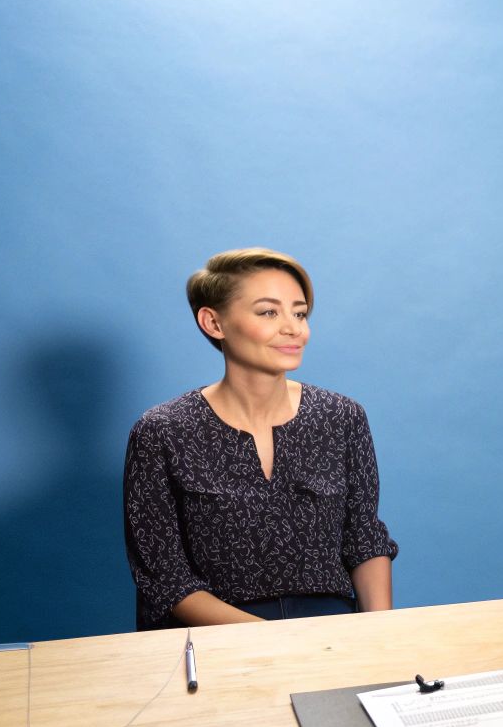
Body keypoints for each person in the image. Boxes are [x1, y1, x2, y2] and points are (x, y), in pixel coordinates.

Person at [124, 247, 396, 628]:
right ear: (214, 323)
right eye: (269, 312)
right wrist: (273, 643)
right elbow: (165, 578)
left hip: (331, 630)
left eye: (299, 313)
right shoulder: (162, 430)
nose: (293, 328)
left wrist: (381, 634)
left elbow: (364, 540)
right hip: (214, 637)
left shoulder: (342, 417)